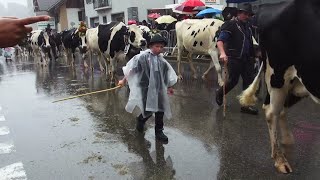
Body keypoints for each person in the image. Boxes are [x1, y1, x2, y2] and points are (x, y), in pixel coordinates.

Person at [118, 34, 178, 142]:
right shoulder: (143, 57)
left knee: (160, 109)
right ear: (151, 46)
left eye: (161, 47)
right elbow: (132, 70)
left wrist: (169, 86)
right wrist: (123, 80)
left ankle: (159, 131)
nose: (159, 49)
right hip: (145, 87)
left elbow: (165, 75)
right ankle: (141, 119)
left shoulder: (162, 61)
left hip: (159, 89)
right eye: (157, 46)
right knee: (149, 109)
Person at [216, 3, 258, 115]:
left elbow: (249, 42)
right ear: (239, 13)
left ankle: (246, 106)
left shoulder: (248, 26)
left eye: (249, 14)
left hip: (247, 59)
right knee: (233, 81)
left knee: (248, 82)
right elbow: (220, 41)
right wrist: (222, 53)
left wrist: (255, 54)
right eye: (245, 13)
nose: (247, 16)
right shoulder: (230, 25)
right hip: (234, 58)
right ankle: (220, 93)